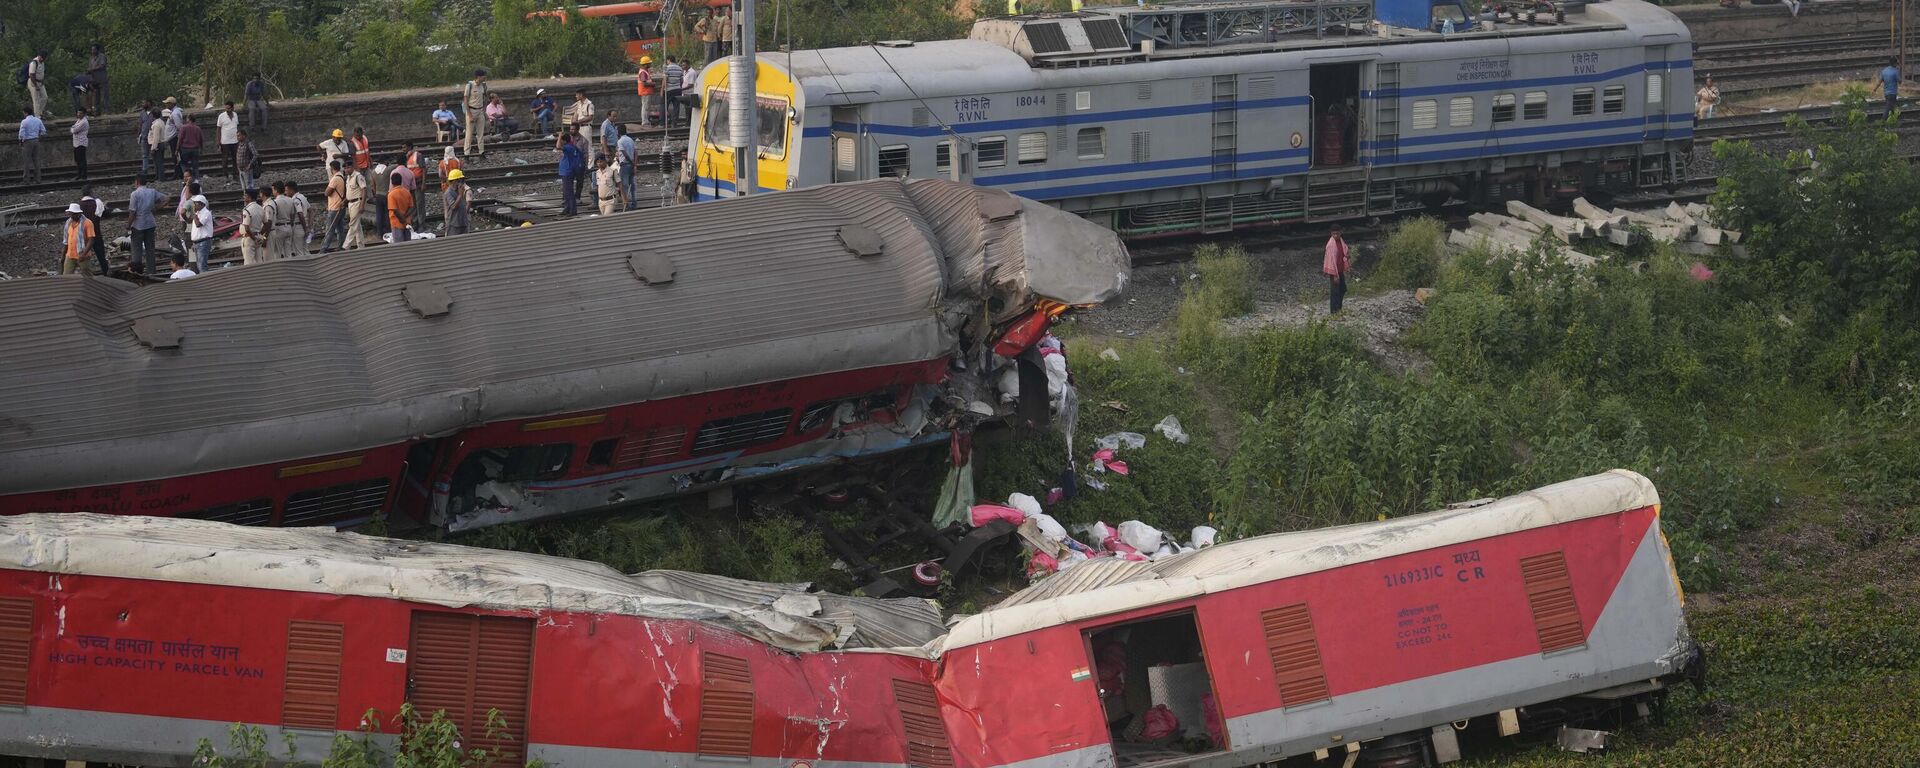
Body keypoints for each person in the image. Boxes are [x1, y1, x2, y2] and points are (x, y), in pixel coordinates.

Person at [126, 175, 163, 274]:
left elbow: (132, 212)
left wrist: (128, 225)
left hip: (138, 225)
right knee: (150, 249)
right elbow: (166, 198)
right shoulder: (152, 191)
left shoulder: (135, 194)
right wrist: (157, 208)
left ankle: (137, 272)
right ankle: (152, 272)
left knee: (136, 250)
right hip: (150, 223)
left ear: (137, 182)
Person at [59, 204, 97, 275]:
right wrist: (63, 255)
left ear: (79, 214)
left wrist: (83, 254)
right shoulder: (68, 223)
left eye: (74, 214)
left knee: (87, 276)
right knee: (66, 275)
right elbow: (66, 241)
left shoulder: (87, 223)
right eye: (71, 214)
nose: (72, 216)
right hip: (70, 255)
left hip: (82, 255)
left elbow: (91, 240)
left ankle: (90, 285)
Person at [320, 161, 349, 252]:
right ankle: (341, 245)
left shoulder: (335, 178)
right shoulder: (342, 177)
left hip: (334, 208)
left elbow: (326, 193)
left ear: (332, 168)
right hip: (341, 207)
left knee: (330, 229)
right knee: (340, 228)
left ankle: (324, 248)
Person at [79, 188, 109, 275]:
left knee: (83, 256)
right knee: (101, 257)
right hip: (96, 233)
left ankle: (85, 276)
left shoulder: (80, 205)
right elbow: (107, 214)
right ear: (91, 192)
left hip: (84, 236)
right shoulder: (97, 203)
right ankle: (106, 274)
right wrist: (104, 207)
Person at [1323, 225, 1350, 314]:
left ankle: (1338, 309)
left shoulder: (1340, 241)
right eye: (1334, 234)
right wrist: (1334, 275)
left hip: (1340, 270)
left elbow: (1344, 253)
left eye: (1337, 234)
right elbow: (1331, 260)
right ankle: (1334, 312)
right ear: (1331, 234)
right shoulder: (1331, 245)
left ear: (1340, 233)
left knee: (1342, 289)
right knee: (1335, 292)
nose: (1335, 235)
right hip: (1334, 271)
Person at [268, 181, 299, 260]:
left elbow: (273, 217)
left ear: (276, 190)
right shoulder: (290, 200)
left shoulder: (275, 202)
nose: (272, 192)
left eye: (273, 190)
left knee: (278, 253)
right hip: (289, 227)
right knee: (288, 253)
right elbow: (292, 214)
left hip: (279, 228)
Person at [462, 68, 490, 155]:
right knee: (469, 134)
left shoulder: (484, 85)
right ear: (478, 76)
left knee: (480, 133)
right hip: (472, 110)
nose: (485, 77)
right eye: (483, 76)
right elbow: (466, 100)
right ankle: (467, 153)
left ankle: (481, 152)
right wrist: (470, 115)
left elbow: (485, 97)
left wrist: (484, 109)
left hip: (480, 111)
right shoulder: (469, 86)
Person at [557, 133, 585, 216]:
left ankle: (572, 210)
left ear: (564, 140)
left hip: (567, 172)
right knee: (566, 192)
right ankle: (567, 208)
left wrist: (559, 136)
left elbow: (558, 146)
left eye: (561, 140)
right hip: (568, 171)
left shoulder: (568, 147)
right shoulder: (572, 146)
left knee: (569, 192)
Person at [240, 187, 269, 265]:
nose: (244, 197)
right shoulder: (261, 208)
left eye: (245, 195)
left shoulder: (247, 210)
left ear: (249, 198)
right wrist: (259, 236)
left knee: (249, 263)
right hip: (258, 237)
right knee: (259, 261)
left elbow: (247, 228)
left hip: (249, 238)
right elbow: (266, 224)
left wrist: (254, 238)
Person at [402, 142, 427, 229]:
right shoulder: (406, 157)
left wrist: (424, 183)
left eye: (404, 147)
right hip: (410, 185)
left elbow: (424, 169)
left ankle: (421, 224)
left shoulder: (418, 155)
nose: (403, 149)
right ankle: (415, 222)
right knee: (413, 205)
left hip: (418, 183)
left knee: (420, 204)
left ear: (409, 147)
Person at [345, 164, 370, 250]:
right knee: (357, 225)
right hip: (350, 203)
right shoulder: (348, 178)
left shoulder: (358, 176)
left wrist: (362, 205)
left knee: (352, 224)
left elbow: (364, 189)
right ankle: (361, 246)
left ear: (353, 167)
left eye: (348, 167)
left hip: (357, 202)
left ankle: (346, 246)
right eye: (345, 168)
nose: (346, 170)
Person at [17, 107, 44, 184]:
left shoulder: (24, 121)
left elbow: (21, 133)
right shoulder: (38, 120)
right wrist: (38, 137)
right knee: (36, 160)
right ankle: (38, 179)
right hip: (36, 140)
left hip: (27, 142)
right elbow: (43, 131)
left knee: (26, 161)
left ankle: (26, 180)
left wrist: (20, 141)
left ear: (26, 113)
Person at [188, 194, 214, 272]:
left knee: (202, 265)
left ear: (201, 204)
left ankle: (206, 282)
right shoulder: (198, 213)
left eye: (195, 203)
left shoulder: (206, 213)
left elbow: (198, 224)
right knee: (199, 265)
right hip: (198, 242)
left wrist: (194, 215)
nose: (194, 205)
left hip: (203, 242)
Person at [387, 171, 415, 243]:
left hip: (396, 223)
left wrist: (402, 219)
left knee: (399, 247)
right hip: (407, 222)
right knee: (408, 245)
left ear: (392, 182)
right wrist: (405, 217)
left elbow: (395, 210)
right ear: (401, 181)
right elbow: (411, 207)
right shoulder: (407, 192)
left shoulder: (391, 194)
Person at [217, 102, 241, 182]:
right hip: (225, 141)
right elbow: (218, 129)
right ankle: (226, 175)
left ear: (232, 108)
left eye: (229, 108)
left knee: (235, 159)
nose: (227, 110)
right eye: (226, 108)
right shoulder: (221, 116)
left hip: (235, 141)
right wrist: (218, 141)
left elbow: (236, 127)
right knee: (225, 159)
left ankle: (235, 175)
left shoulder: (235, 115)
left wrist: (239, 138)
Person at [616, 125, 639, 209]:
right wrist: (635, 165)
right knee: (632, 185)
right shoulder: (631, 140)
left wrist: (631, 162)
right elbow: (636, 153)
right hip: (631, 165)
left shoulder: (620, 141)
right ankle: (634, 203)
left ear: (618, 132)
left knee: (624, 186)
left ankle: (627, 204)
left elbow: (624, 154)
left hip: (625, 165)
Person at [443, 168, 470, 236]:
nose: (460, 182)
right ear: (453, 181)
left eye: (461, 180)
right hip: (454, 224)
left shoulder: (459, 190)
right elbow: (453, 206)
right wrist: (460, 195)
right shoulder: (448, 193)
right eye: (459, 180)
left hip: (463, 222)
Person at [144, 107, 168, 183]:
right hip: (161, 144)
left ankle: (161, 178)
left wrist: (153, 148)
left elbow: (156, 138)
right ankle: (158, 176)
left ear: (153, 115)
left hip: (157, 145)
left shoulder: (156, 124)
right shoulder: (161, 122)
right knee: (158, 162)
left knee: (158, 162)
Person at [236, 128, 261, 197]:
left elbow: (256, 154)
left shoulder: (248, 144)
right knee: (244, 188)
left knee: (249, 187)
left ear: (244, 136)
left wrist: (250, 165)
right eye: (237, 136)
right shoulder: (239, 144)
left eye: (239, 136)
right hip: (240, 170)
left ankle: (251, 201)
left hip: (247, 170)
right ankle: (246, 202)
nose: (237, 137)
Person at [289, 180, 312, 251]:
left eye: (286, 190)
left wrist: (305, 229)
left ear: (291, 190)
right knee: (305, 250)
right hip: (305, 225)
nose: (285, 193)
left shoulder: (295, 200)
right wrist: (309, 225)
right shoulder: (302, 196)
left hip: (298, 226)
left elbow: (300, 214)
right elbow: (310, 210)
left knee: (298, 251)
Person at [637, 56, 659, 126]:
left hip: (646, 92)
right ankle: (645, 122)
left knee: (646, 107)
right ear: (645, 64)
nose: (650, 64)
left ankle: (646, 121)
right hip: (645, 92)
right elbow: (644, 83)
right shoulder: (643, 72)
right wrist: (653, 84)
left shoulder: (645, 71)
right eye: (649, 63)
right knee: (645, 107)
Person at [86, 43, 108, 113]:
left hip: (102, 79)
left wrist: (92, 69)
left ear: (98, 50)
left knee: (105, 95)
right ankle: (97, 111)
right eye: (92, 50)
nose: (92, 51)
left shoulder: (102, 56)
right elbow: (90, 68)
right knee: (96, 96)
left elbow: (102, 66)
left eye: (94, 50)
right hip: (94, 80)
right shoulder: (91, 58)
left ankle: (106, 111)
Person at [664, 58, 685, 128]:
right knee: (676, 107)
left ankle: (665, 122)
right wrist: (679, 86)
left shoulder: (667, 68)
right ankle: (674, 123)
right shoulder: (680, 68)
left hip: (669, 90)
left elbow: (665, 79)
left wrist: (663, 89)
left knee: (665, 105)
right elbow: (682, 80)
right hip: (678, 90)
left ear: (669, 60)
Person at [25, 52, 47, 118]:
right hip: (33, 82)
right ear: (39, 56)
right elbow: (31, 75)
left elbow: (42, 72)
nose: (43, 59)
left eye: (44, 58)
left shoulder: (42, 62)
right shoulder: (33, 63)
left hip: (40, 82)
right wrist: (36, 85)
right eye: (42, 58)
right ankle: (37, 117)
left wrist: (42, 80)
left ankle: (39, 112)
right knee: (36, 99)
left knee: (45, 97)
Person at [69, 109, 89, 181]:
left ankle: (83, 176)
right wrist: (73, 128)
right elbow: (73, 127)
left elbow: (74, 130)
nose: (78, 114)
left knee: (82, 160)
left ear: (84, 114)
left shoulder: (83, 122)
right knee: (78, 160)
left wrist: (72, 129)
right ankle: (80, 175)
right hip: (76, 143)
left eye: (80, 113)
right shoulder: (79, 120)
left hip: (81, 143)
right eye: (78, 113)